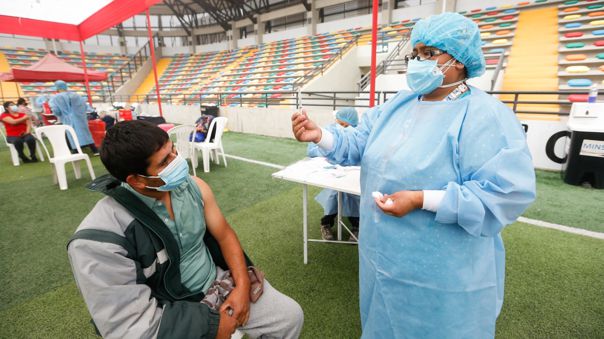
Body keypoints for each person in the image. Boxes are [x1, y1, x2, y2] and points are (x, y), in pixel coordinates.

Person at [291, 12, 536, 338]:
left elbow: (505, 193)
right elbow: (359, 141)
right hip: (382, 257)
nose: (419, 62)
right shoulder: (398, 105)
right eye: (416, 53)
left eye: (430, 54)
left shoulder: (484, 116)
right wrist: (319, 135)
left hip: (443, 272)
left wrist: (423, 200)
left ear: (460, 60)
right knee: (384, 321)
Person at [68, 120, 303, 339]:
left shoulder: (194, 186)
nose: (177, 160)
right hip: (170, 308)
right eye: (164, 162)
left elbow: (225, 235)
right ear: (137, 181)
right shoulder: (102, 240)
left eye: (173, 151)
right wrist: (213, 327)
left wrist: (241, 287)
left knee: (289, 317)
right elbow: (132, 326)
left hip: (219, 281)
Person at [307, 107, 360, 241]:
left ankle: (356, 226)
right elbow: (312, 149)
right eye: (341, 124)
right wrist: (324, 152)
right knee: (333, 196)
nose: (343, 128)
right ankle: (326, 224)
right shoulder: (328, 130)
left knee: (353, 197)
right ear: (336, 120)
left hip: (351, 174)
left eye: (346, 126)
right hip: (332, 174)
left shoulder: (358, 134)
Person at [49, 80, 99, 155]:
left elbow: (56, 111)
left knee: (71, 134)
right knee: (85, 133)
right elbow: (85, 106)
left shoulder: (54, 98)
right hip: (80, 118)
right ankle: (95, 150)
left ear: (56, 88)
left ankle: (76, 151)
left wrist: (61, 114)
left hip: (67, 119)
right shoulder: (76, 95)